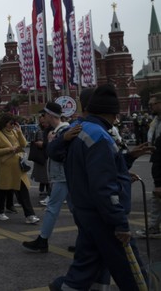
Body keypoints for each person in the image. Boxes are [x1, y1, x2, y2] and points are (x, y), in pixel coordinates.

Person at [50, 85, 148, 290]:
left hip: (86, 211)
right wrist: (120, 222)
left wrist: (127, 159)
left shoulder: (81, 130)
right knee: (133, 273)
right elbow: (103, 186)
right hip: (103, 216)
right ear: (112, 112)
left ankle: (64, 287)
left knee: (87, 267)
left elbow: (97, 170)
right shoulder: (99, 136)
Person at [22, 102, 69, 253]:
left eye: (44, 114)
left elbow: (58, 154)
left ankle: (42, 240)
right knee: (77, 209)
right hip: (63, 175)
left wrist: (50, 143)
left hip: (62, 176)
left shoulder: (62, 131)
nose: (42, 117)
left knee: (52, 208)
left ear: (50, 115)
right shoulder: (59, 130)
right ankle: (87, 241)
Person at [0, 113, 40, 224]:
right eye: (11, 123)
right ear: (4, 122)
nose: (12, 125)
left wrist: (19, 131)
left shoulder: (14, 132)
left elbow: (23, 144)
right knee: (3, 189)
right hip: (5, 168)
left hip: (17, 167)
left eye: (14, 123)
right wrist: (10, 149)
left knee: (23, 190)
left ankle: (30, 215)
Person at [136, 92, 161, 238]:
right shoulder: (155, 121)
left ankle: (153, 227)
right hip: (157, 161)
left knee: (156, 197)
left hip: (159, 163)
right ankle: (153, 227)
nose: (150, 106)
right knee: (156, 200)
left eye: (153, 104)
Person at [29, 113, 50, 204]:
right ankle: (45, 191)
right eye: (42, 122)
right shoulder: (41, 131)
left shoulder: (44, 131)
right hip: (43, 156)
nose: (43, 124)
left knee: (45, 175)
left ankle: (45, 191)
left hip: (44, 156)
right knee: (45, 175)